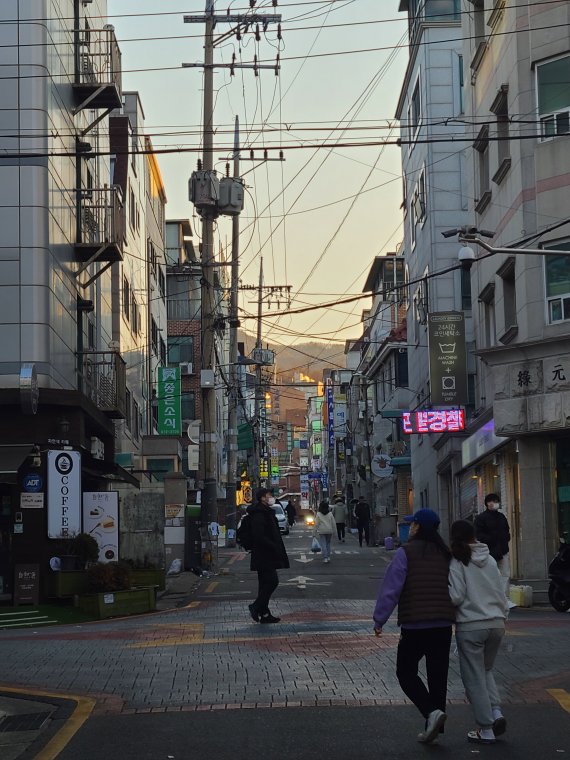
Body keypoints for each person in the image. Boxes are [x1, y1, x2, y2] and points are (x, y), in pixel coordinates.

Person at [373, 508, 455, 744]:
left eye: (413, 524)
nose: (410, 528)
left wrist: (380, 619)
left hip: (415, 624)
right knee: (438, 676)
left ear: (418, 527)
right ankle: (434, 728)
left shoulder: (405, 553)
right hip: (442, 624)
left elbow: (391, 589)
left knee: (406, 672)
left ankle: (431, 713)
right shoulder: (445, 553)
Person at [449, 520, 508, 745]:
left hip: (472, 624)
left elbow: (456, 596)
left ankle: (486, 729)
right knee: (485, 670)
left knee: (473, 677)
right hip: (496, 623)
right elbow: (500, 591)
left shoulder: (459, 560)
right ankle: (495, 713)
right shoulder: (490, 559)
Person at [247, 487, 290, 624]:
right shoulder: (259, 513)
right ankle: (256, 606)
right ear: (262, 498)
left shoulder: (265, 511)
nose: (271, 497)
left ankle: (264, 613)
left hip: (265, 553)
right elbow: (259, 535)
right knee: (272, 581)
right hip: (264, 554)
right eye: (269, 495)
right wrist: (273, 546)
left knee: (264, 583)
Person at [474, 493, 511, 599]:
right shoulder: (481, 518)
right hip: (488, 551)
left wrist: (505, 539)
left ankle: (504, 598)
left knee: (504, 574)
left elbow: (507, 531)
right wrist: (493, 539)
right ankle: (492, 597)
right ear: (486, 503)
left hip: (502, 550)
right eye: (490, 501)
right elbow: (478, 534)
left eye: (495, 501)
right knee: (490, 575)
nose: (493, 503)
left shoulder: (501, 517)